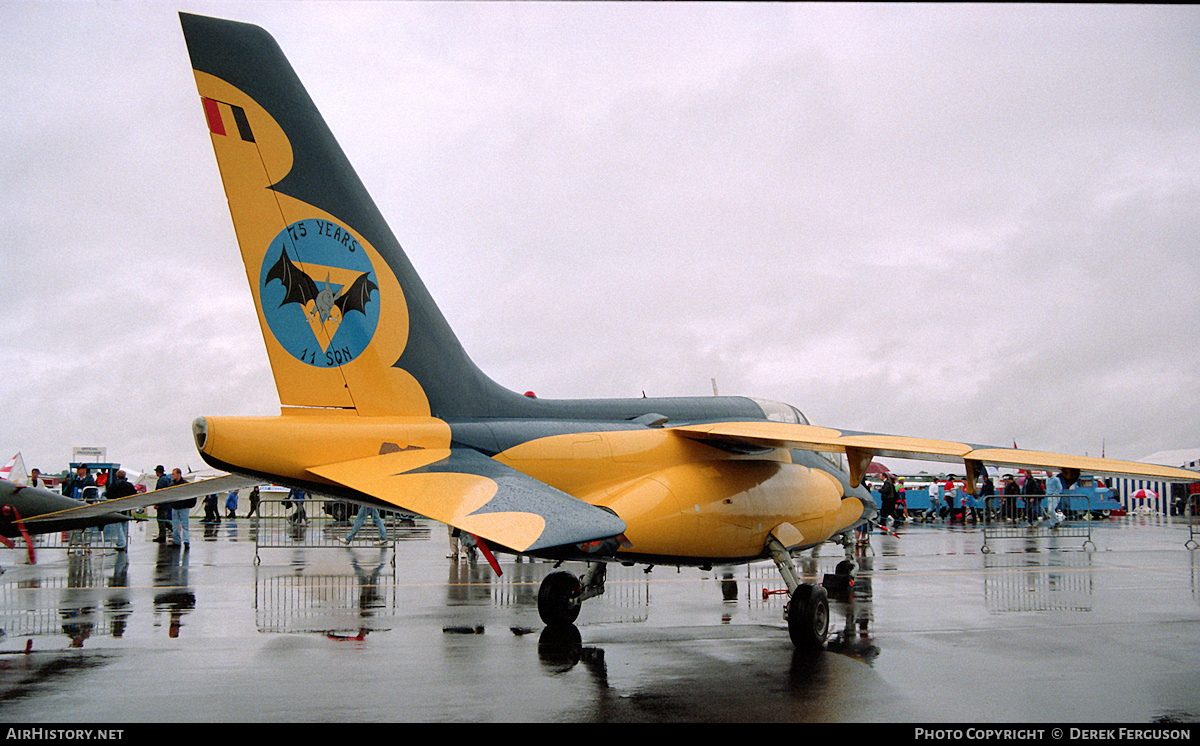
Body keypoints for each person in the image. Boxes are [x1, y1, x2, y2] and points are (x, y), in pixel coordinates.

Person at [104, 469, 137, 551]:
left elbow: (108, 494)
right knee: (124, 524)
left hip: (116, 506)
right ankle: (123, 541)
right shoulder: (129, 485)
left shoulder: (113, 485)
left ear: (117, 476)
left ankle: (121, 542)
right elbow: (134, 493)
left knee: (118, 525)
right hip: (126, 506)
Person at [169, 468, 193, 549]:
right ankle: (176, 541)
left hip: (184, 508)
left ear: (178, 474)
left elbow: (192, 495)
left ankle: (186, 542)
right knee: (175, 526)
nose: (172, 476)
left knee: (185, 525)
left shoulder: (185, 484)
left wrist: (189, 505)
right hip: (175, 508)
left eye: (173, 474)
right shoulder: (171, 485)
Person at [152, 465, 173, 543]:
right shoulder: (166, 479)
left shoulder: (162, 480)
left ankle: (162, 536)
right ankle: (173, 529)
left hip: (162, 503)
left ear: (157, 472)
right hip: (166, 503)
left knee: (161, 520)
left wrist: (157, 503)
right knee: (164, 519)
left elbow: (159, 492)